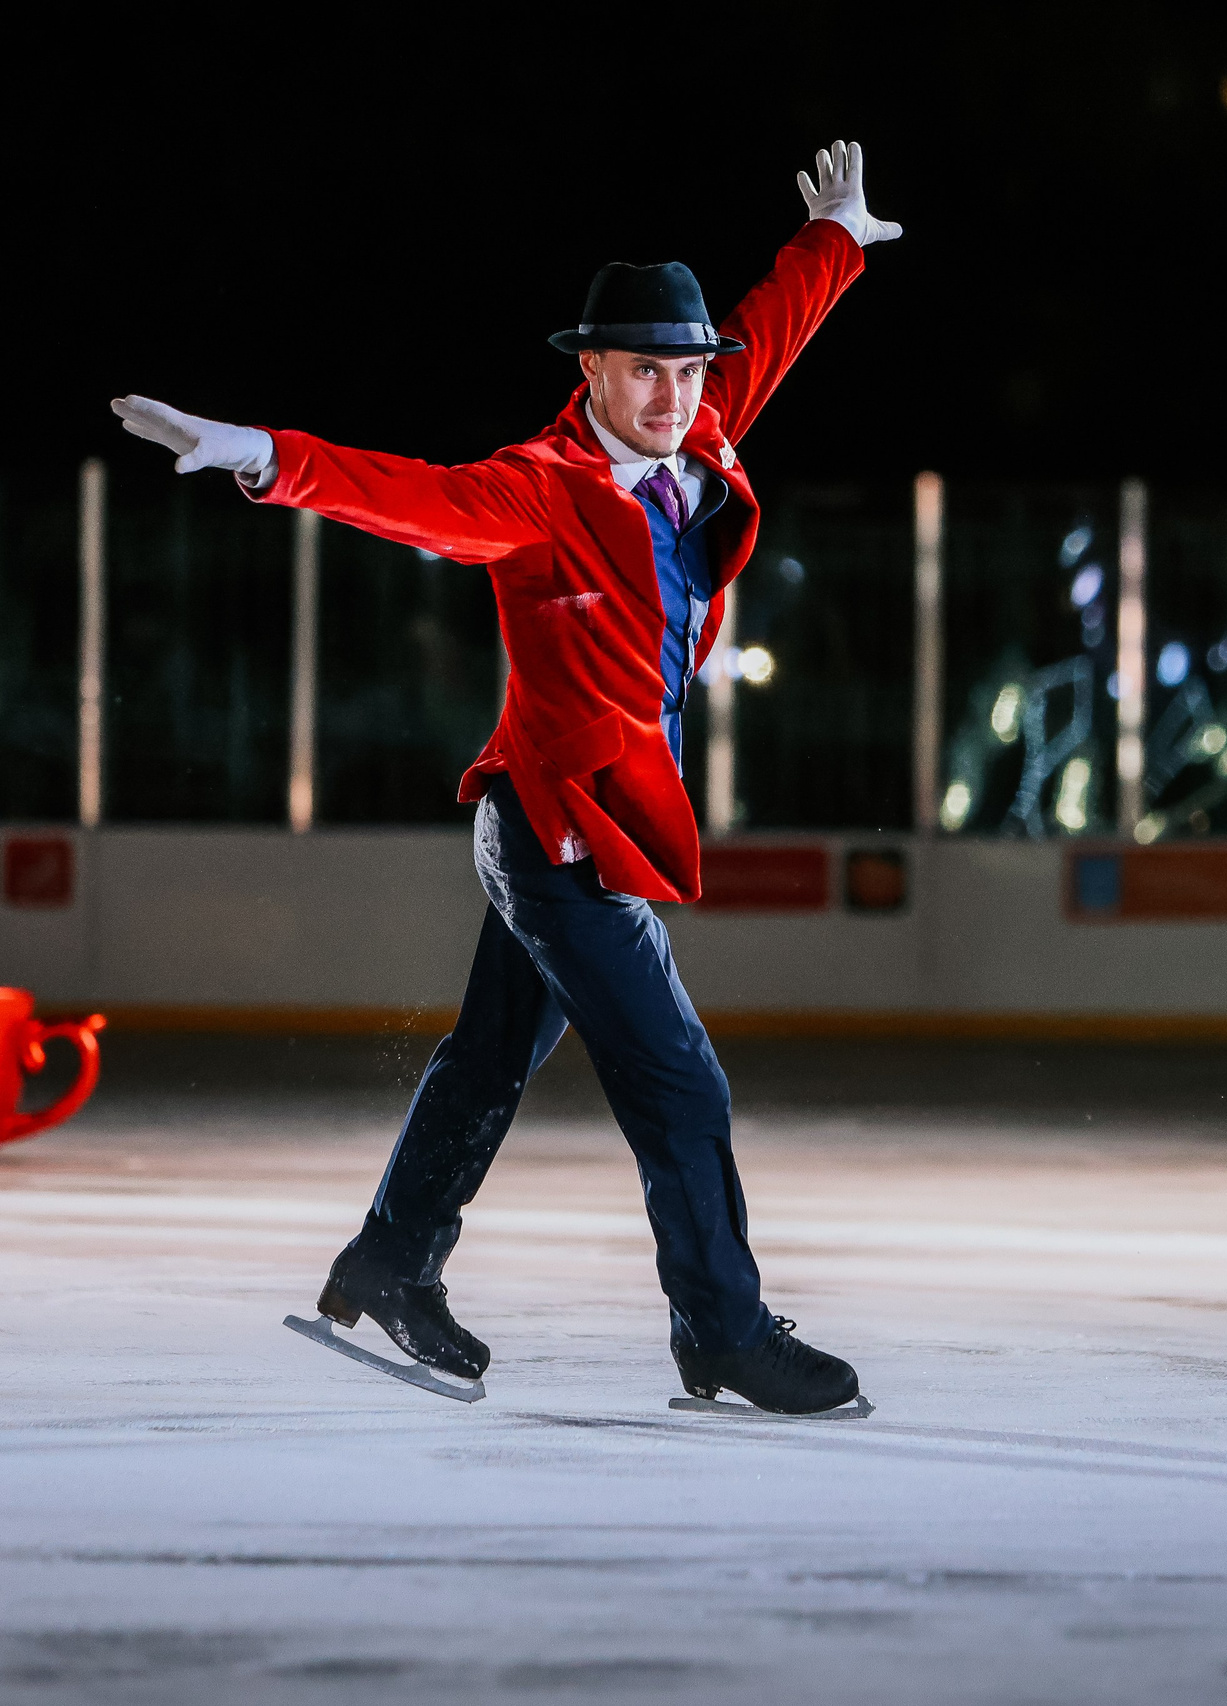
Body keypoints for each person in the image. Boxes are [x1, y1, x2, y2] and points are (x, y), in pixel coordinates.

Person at [111, 141, 899, 1415]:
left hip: (583, 823)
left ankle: (389, 1263)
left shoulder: (695, 437)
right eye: (644, 366)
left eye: (687, 368)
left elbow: (769, 331)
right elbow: (414, 497)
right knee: (680, 1077)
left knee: (487, 1059)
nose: (671, 389)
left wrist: (837, 244)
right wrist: (265, 453)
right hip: (555, 833)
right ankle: (724, 1329)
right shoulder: (540, 489)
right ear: (587, 368)